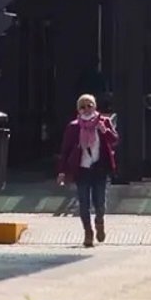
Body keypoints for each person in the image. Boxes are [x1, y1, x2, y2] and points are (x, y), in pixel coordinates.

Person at [58, 93, 118, 248]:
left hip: (99, 168)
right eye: (82, 107)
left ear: (95, 106)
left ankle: (99, 221)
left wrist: (104, 130)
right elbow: (65, 150)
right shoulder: (74, 127)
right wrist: (62, 172)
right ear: (78, 110)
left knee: (100, 203)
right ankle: (88, 233)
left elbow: (115, 140)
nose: (86, 109)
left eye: (89, 105)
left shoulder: (103, 121)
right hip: (82, 169)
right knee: (83, 204)